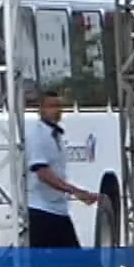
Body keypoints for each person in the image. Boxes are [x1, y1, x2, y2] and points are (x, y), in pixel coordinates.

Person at [24, 90, 98, 248]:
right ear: (41, 109)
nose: (56, 111)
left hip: (58, 209)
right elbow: (42, 172)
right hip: (41, 209)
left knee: (72, 260)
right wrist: (75, 191)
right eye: (51, 106)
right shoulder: (37, 135)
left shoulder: (56, 136)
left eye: (59, 106)